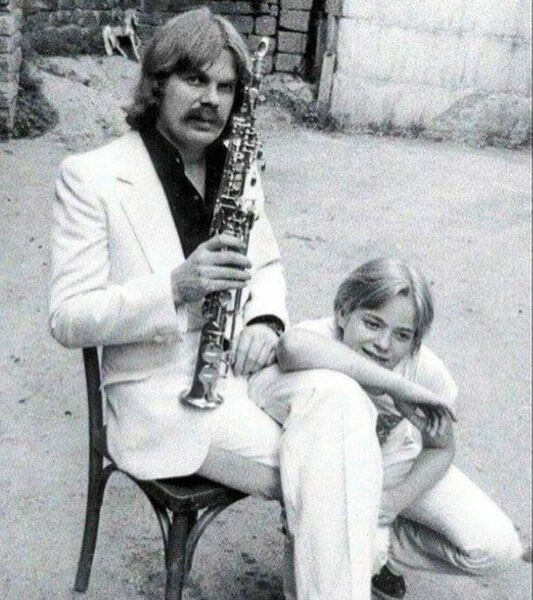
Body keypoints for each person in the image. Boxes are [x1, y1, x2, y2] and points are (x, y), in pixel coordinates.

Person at [49, 9, 457, 599]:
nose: (211, 100)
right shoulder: (90, 177)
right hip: (159, 393)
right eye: (194, 80)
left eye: (225, 86)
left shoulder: (237, 169)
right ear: (157, 83)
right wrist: (174, 287)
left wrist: (265, 319)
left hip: (244, 372)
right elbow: (68, 317)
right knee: (336, 470)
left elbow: (264, 266)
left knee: (342, 401)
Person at [254, 257, 524, 600]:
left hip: (392, 465)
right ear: (342, 312)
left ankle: (382, 552)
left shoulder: (426, 370)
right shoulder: (321, 338)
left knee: (498, 546)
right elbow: (290, 347)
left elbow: (441, 448)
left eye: (402, 335)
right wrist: (395, 385)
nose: (383, 343)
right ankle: (327, 537)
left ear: (415, 341)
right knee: (324, 572)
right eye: (372, 323)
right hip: (328, 472)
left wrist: (394, 501)